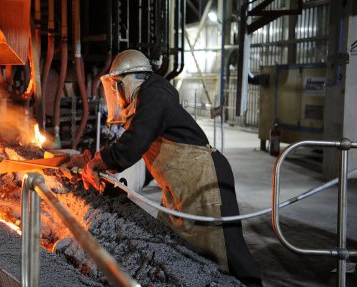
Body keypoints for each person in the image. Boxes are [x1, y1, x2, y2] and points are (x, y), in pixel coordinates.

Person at [79, 49, 262, 285]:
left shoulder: (154, 96)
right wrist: (103, 161)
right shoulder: (149, 97)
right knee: (170, 240)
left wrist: (100, 161)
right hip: (181, 186)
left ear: (129, 80)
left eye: (118, 85)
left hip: (205, 180)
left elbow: (132, 144)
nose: (117, 93)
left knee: (230, 252)